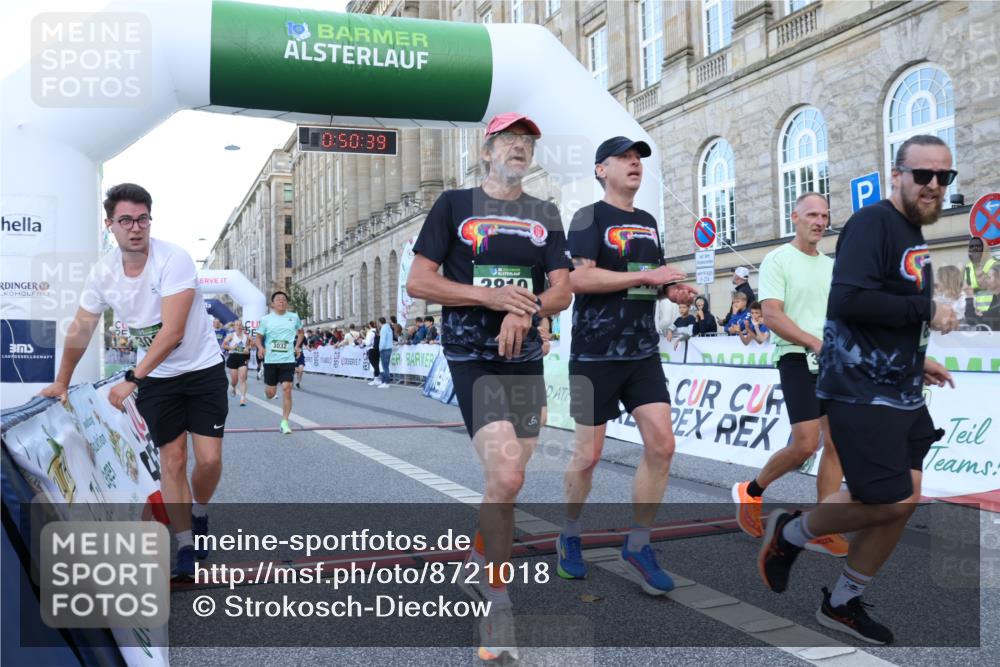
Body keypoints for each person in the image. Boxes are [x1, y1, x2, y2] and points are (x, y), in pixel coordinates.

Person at [758, 135, 959, 644]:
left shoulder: (911, 230)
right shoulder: (874, 224)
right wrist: (925, 310)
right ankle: (791, 533)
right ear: (897, 175)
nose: (933, 185)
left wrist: (918, 360)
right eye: (923, 175)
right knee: (887, 499)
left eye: (944, 177)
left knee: (905, 498)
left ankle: (843, 602)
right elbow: (847, 302)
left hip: (901, 388)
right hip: (860, 392)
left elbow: (885, 309)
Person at [406, 112, 573, 662]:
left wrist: (526, 308)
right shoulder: (454, 205)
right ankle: (496, 604)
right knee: (506, 472)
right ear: (487, 151)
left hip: (524, 358)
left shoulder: (543, 213)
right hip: (471, 356)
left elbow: (563, 291)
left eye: (527, 141)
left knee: (508, 484)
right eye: (509, 140)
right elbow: (420, 281)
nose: (519, 148)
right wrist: (492, 299)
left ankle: (479, 560)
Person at [41, 183, 227, 581]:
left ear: (149, 220)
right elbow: (81, 328)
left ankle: (200, 511)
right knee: (172, 461)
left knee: (209, 460)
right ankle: (183, 545)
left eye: (142, 218)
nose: (135, 227)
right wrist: (61, 381)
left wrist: (131, 378)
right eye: (125, 220)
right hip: (158, 379)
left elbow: (173, 331)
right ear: (110, 225)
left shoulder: (173, 258)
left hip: (201, 370)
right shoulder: (103, 273)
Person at [558, 135, 698, 597]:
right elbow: (579, 277)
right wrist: (646, 276)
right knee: (588, 455)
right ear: (602, 169)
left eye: (638, 158)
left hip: (641, 353)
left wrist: (670, 289)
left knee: (662, 445)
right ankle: (570, 533)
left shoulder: (648, 221)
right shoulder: (588, 216)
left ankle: (638, 544)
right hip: (593, 356)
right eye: (624, 157)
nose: (634, 163)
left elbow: (650, 281)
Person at [732, 193, 847, 557]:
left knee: (837, 443)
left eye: (824, 215)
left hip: (831, 361)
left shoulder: (831, 265)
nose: (819, 220)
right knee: (804, 444)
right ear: (794, 215)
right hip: (796, 356)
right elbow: (773, 315)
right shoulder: (777, 259)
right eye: (812, 214)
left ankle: (823, 526)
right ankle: (751, 489)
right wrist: (813, 342)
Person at [255, 291, 304, 435]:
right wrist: (261, 347)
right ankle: (268, 394)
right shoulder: (266, 319)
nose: (281, 301)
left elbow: (300, 332)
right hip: (271, 360)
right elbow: (258, 337)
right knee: (271, 393)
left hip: (288, 359)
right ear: (273, 304)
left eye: (284, 299)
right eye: (278, 299)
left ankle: (284, 422)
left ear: (286, 303)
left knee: (287, 388)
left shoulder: (294, 317)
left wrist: (297, 346)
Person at [963, 236, 996, 316]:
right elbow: (965, 291)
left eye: (978, 246)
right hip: (974, 313)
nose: (974, 248)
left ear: (984, 248)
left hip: (993, 312)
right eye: (971, 247)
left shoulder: (994, 264)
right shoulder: (967, 267)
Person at [223, 320, 251, 406]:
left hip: (243, 358)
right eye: (237, 325)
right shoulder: (231, 336)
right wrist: (231, 347)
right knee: (234, 380)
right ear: (234, 327)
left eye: (240, 325)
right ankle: (233, 386)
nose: (238, 326)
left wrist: (248, 349)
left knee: (242, 378)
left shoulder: (247, 336)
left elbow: (250, 346)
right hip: (233, 357)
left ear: (242, 327)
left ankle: (242, 398)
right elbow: (223, 345)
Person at [378, 316, 394, 388]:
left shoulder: (383, 329)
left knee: (385, 367)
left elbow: (383, 340)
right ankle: (385, 382)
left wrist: (380, 348)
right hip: (389, 348)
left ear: (380, 322)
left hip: (384, 349)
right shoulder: (389, 328)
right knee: (386, 366)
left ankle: (386, 382)